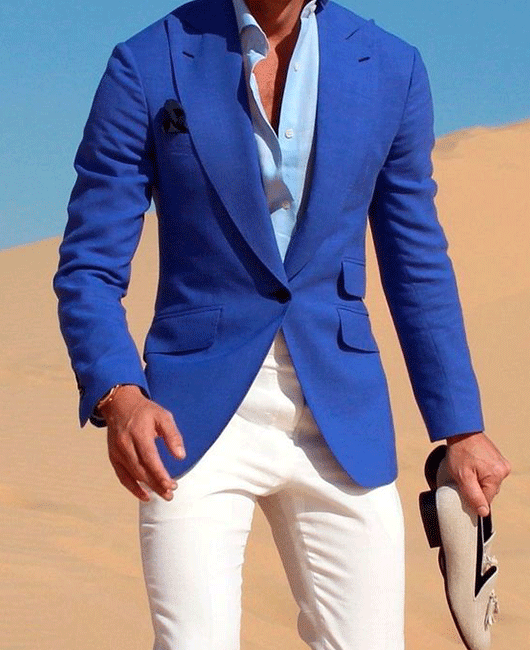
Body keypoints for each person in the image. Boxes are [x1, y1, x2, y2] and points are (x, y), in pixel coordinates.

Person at [53, 0, 511, 648]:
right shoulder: (147, 63)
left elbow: (417, 263)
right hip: (192, 421)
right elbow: (89, 266)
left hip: (341, 415)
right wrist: (119, 394)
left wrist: (461, 428)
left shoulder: (391, 68)